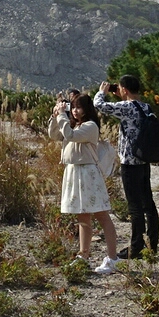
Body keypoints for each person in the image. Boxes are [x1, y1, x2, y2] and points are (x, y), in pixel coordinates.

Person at [47, 92, 118, 275]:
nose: (75, 111)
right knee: (82, 216)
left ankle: (112, 258)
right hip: (73, 171)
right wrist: (56, 116)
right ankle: (83, 256)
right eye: (73, 107)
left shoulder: (90, 126)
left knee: (101, 214)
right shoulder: (73, 124)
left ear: (87, 109)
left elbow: (70, 136)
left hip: (88, 173)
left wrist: (63, 116)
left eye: (79, 107)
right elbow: (54, 135)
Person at [95, 74, 159, 259]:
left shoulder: (126, 107)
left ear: (124, 89)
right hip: (144, 161)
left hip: (129, 163)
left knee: (134, 207)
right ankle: (153, 244)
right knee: (148, 203)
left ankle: (136, 247)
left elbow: (99, 105)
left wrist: (102, 92)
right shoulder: (146, 107)